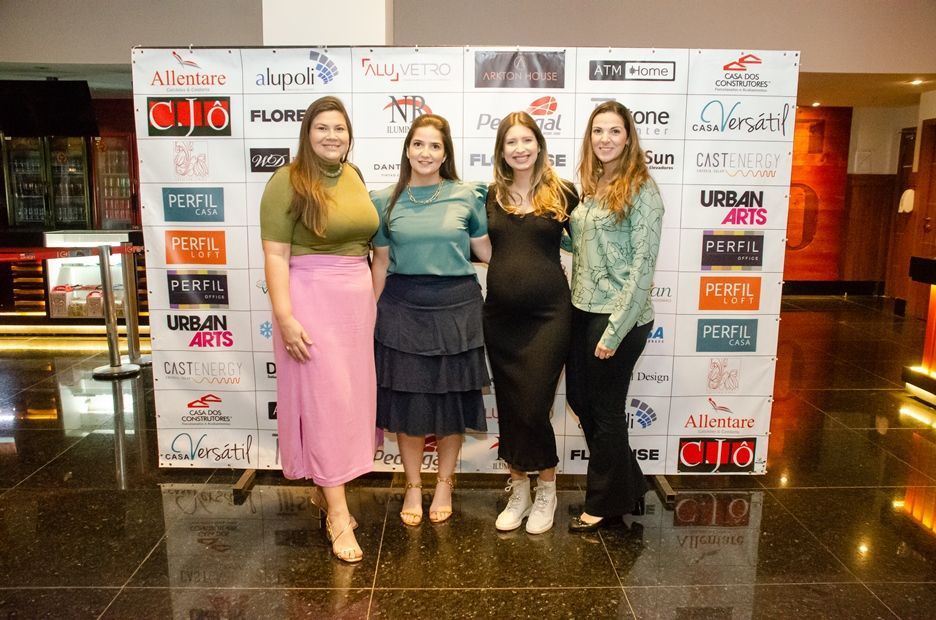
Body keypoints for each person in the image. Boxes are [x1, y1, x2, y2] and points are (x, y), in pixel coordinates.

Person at [260, 96, 378, 562]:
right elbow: (274, 256)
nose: (333, 136)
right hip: (310, 301)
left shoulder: (354, 176)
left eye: (340, 129)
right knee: (326, 404)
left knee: (348, 402)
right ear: (307, 133)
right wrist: (286, 317)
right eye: (322, 128)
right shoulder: (285, 181)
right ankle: (336, 514)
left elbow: (367, 242)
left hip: (355, 302)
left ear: (350, 135)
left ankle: (324, 488)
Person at [370, 114, 491, 527]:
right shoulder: (383, 200)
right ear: (407, 149)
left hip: (457, 308)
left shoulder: (468, 195)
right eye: (419, 144)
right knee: (408, 405)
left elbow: (489, 252)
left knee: (449, 403)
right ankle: (412, 485)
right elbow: (381, 263)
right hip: (402, 308)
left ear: (446, 153)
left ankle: (443, 483)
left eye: (435, 146)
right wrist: (370, 314)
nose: (426, 153)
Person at [566, 100, 664, 532]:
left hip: (620, 318)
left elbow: (643, 269)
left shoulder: (643, 191)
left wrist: (615, 331)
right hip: (583, 309)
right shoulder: (592, 184)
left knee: (605, 409)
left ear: (629, 138)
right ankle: (629, 483)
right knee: (578, 400)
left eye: (614, 132)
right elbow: (586, 244)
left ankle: (605, 502)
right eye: (598, 131)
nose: (605, 139)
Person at [483, 112, 579, 534]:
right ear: (502, 151)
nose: (519, 148)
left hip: (550, 317)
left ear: (539, 144)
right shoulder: (489, 196)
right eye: (511, 142)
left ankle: (547, 489)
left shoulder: (564, 194)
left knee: (534, 406)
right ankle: (518, 488)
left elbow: (597, 241)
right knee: (510, 407)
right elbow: (479, 247)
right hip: (500, 319)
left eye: (526, 140)